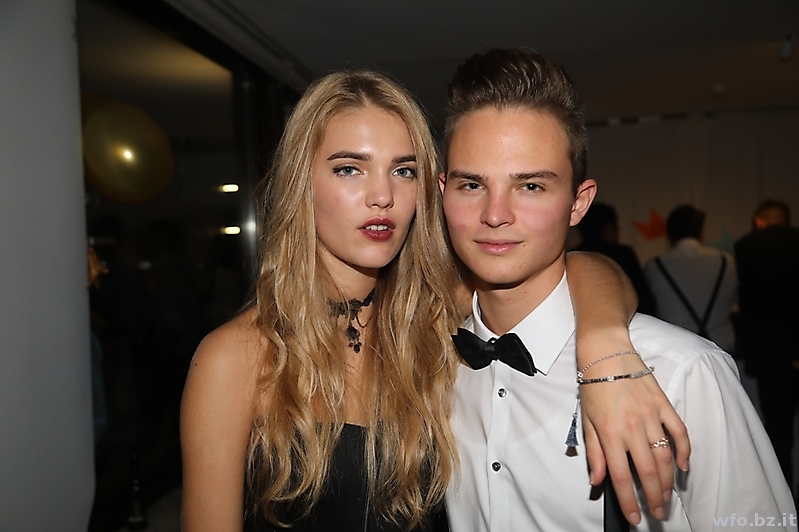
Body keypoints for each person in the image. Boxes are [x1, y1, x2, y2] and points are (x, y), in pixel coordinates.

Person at [180, 70, 688, 532]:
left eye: (403, 171)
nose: (382, 196)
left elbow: (576, 266)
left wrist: (603, 346)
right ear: (301, 183)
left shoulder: (429, 317)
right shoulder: (237, 357)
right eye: (349, 169)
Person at [440, 48, 795, 531]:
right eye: (471, 185)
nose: (495, 214)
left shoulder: (681, 374)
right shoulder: (428, 366)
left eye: (531, 186)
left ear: (578, 203)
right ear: (442, 192)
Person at [735, 199, 799, 498]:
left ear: (759, 220)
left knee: (778, 432)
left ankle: (785, 499)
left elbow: (748, 302)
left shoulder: (748, 246)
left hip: (771, 352)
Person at [643, 205, 738, 354]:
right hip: (723, 351)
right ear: (701, 232)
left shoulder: (654, 266)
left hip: (676, 353)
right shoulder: (728, 262)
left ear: (669, 235)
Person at [576, 202, 656, 315]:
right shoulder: (623, 254)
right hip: (625, 319)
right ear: (608, 227)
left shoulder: (571, 256)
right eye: (617, 228)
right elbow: (643, 299)